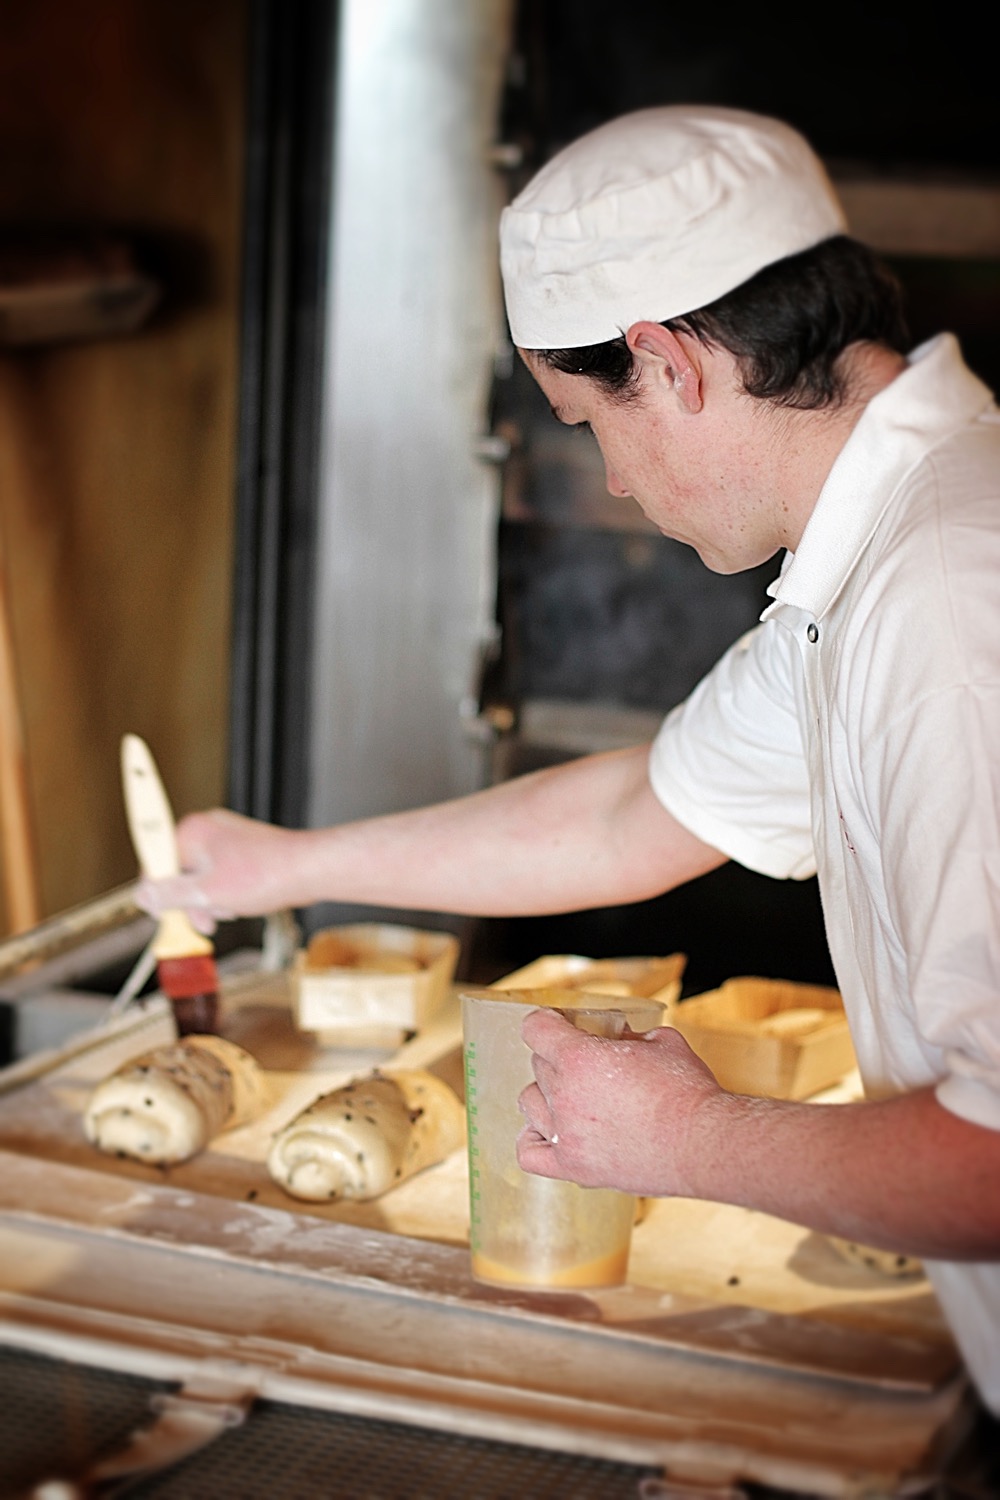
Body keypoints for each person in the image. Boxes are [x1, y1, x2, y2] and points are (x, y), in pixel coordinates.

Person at [141, 106, 1000, 1413]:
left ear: (668, 362)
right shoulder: (893, 552)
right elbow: (631, 816)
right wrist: (283, 866)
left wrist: (686, 1140)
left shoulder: (946, 602)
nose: (613, 483)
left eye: (585, 419)